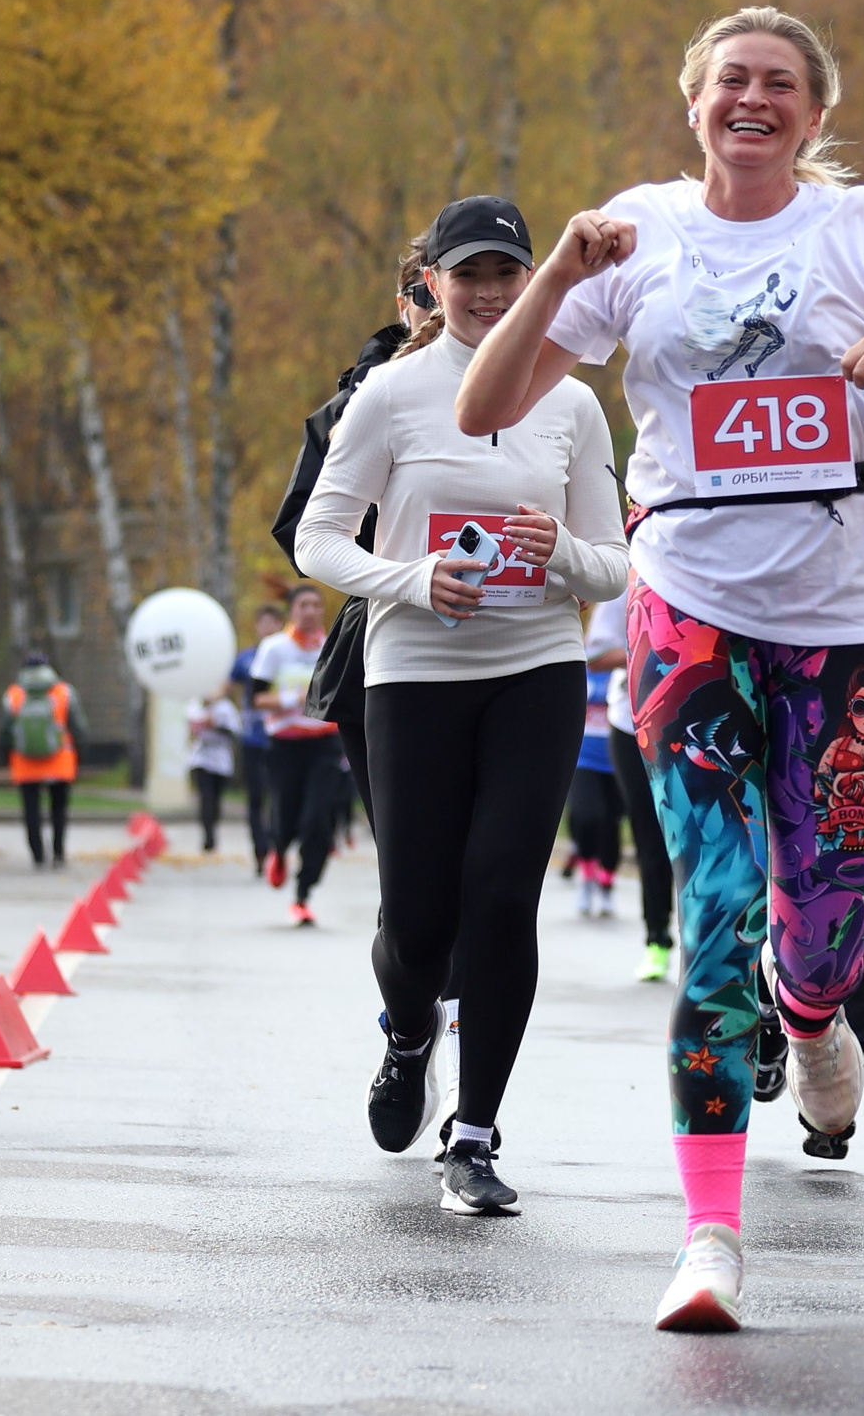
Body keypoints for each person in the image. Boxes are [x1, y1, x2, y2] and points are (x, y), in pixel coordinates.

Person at [456, 6, 864, 1331]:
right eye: (734, 81)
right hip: (689, 606)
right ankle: (710, 1234)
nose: (755, 101)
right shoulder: (634, 231)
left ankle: (815, 1007)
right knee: (713, 913)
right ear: (694, 102)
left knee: (824, 917)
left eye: (781, 84)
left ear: (815, 115)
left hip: (846, 609)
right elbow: (486, 408)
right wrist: (553, 275)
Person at [298, 193, 628, 1214]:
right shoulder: (390, 396)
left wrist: (557, 554)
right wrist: (410, 578)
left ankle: (475, 1133)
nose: (489, 293)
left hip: (533, 672)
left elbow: (616, 565)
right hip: (414, 676)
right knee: (419, 916)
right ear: (431, 285)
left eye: (506, 275)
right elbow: (320, 540)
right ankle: (406, 1038)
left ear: (533, 283)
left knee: (500, 895)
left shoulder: (570, 402)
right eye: (469, 275)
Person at [273, 239, 432, 820]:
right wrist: (397, 555)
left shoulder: (541, 391)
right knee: (411, 865)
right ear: (404, 304)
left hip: (513, 640)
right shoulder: (352, 405)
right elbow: (299, 532)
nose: (441, 309)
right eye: (426, 294)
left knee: (492, 872)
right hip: (386, 637)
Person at [590, 590, 676, 980]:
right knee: (650, 835)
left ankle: (702, 943)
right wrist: (652, 649)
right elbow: (594, 656)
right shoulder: (626, 580)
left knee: (697, 839)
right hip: (631, 725)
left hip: (693, 724)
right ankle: (657, 939)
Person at [251, 583, 343, 925]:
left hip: (324, 744)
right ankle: (278, 849)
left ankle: (304, 893)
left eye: (317, 605)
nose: (311, 611)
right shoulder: (274, 649)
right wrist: (293, 699)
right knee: (286, 817)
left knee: (317, 821)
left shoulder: (332, 646)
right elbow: (256, 699)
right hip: (285, 745)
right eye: (304, 605)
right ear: (292, 611)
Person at [0, 652, 86, 870]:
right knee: (59, 809)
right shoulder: (64, 692)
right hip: (60, 760)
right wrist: (80, 753)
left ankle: (37, 855)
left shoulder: (14, 694)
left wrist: (8, 752)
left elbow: (4, 731)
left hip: (25, 762)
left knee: (31, 810)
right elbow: (79, 727)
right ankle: (58, 853)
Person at [574, 605, 629, 919]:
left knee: (612, 824)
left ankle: (606, 883)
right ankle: (586, 874)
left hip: (617, 757)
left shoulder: (623, 665)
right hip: (584, 757)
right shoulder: (577, 662)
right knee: (587, 816)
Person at [234, 603, 282, 867]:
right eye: (263, 622)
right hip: (252, 738)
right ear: (257, 627)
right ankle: (259, 849)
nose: (268, 627)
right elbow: (225, 685)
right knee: (255, 797)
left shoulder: (285, 653)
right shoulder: (245, 659)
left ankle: (276, 844)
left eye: (273, 622)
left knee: (278, 794)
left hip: (279, 738)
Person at [186, 685, 243, 853]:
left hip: (220, 759)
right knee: (206, 797)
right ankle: (207, 833)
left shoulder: (225, 709)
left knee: (216, 798)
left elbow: (235, 733)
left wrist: (216, 725)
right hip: (201, 757)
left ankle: (213, 825)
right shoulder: (193, 707)